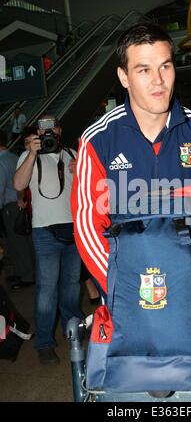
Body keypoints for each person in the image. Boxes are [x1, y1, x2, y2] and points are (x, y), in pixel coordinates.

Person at [71, 23, 191, 309]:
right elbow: (88, 224)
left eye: (165, 66)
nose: (158, 81)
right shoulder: (99, 140)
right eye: (143, 70)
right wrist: (122, 287)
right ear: (123, 77)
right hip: (128, 295)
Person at [13, 115, 83, 365]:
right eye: (43, 127)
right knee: (46, 290)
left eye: (51, 126)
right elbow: (19, 184)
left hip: (74, 228)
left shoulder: (72, 153)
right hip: (44, 230)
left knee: (72, 285)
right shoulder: (28, 155)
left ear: (59, 130)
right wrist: (31, 154)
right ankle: (44, 343)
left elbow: (88, 189)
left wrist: (82, 171)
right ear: (38, 132)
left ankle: (73, 330)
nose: (48, 131)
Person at [0, 130, 35, 290]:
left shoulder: (1, 162)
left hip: (11, 207)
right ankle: (24, 273)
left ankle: (27, 275)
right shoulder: (14, 157)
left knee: (18, 243)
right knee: (25, 242)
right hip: (23, 205)